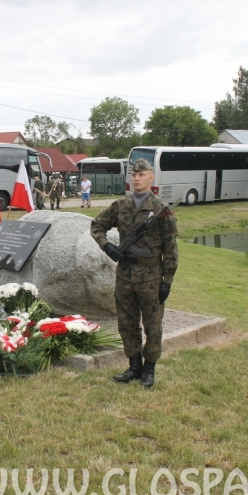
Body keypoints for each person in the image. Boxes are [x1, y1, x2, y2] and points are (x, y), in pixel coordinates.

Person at [90, 158, 179, 388]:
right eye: (134, 175)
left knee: (152, 324)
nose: (137, 178)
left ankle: (149, 369)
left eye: (142, 174)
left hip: (150, 276)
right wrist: (107, 246)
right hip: (125, 274)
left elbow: (170, 249)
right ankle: (134, 366)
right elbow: (97, 225)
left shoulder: (161, 210)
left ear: (151, 177)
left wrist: (166, 280)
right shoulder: (121, 206)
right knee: (126, 322)